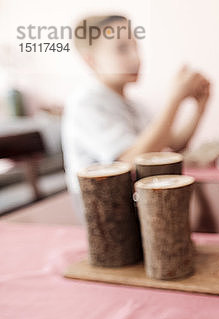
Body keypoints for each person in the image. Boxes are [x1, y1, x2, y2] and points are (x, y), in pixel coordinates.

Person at [62, 15, 210, 194]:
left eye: (135, 46)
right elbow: (130, 162)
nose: (136, 58)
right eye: (122, 48)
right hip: (100, 207)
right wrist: (174, 99)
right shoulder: (86, 104)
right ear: (91, 60)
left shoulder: (133, 105)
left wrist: (200, 108)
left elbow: (174, 145)